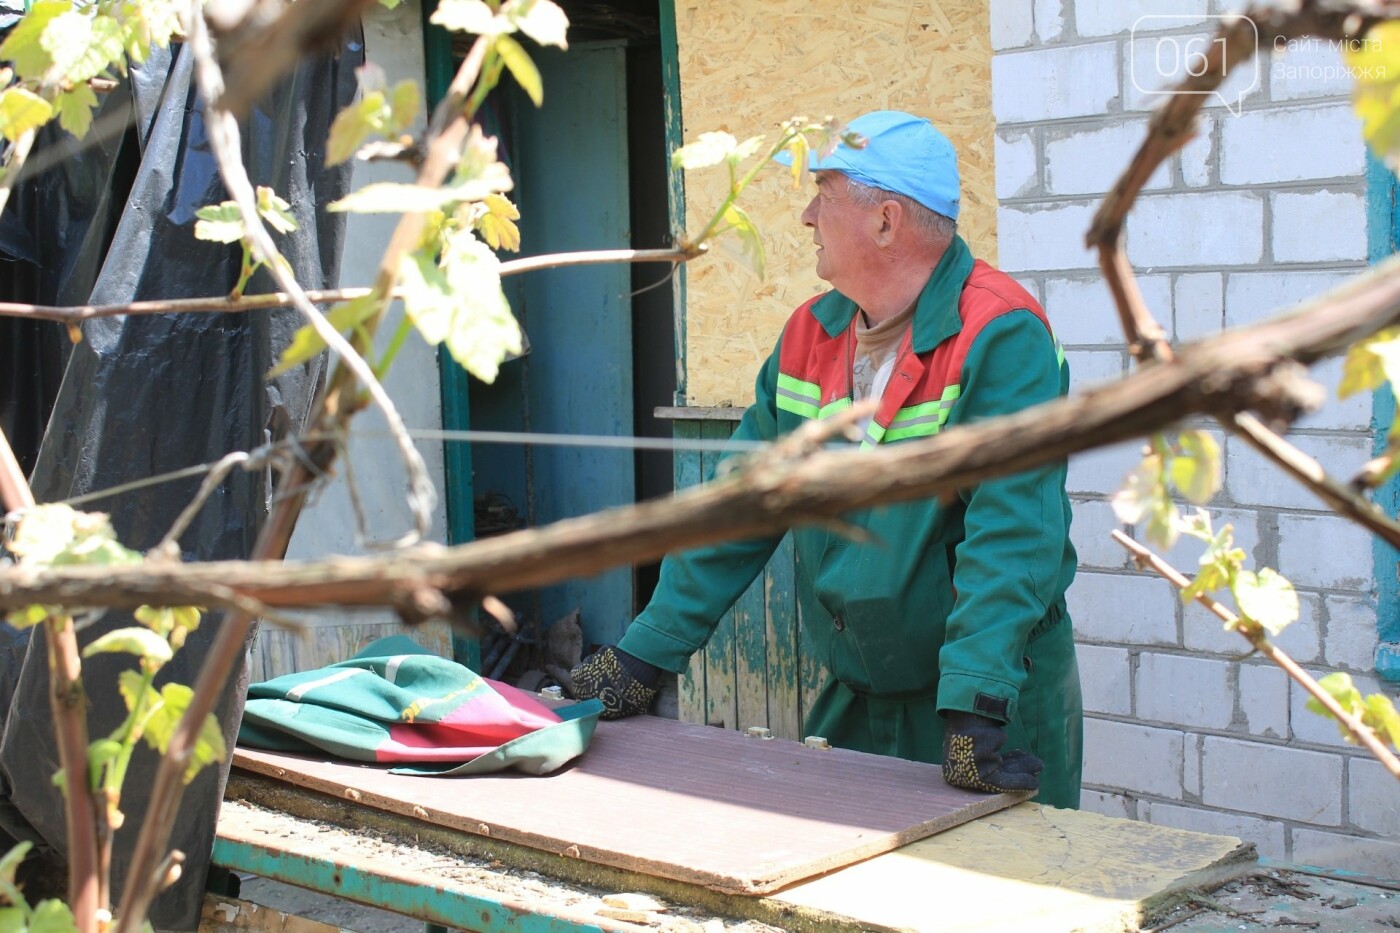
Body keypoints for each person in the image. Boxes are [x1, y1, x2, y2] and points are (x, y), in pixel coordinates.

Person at [571, 110, 1083, 809]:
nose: (808, 216)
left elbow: (1013, 532)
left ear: (886, 220)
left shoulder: (1001, 335)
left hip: (989, 702)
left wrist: (976, 703)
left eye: (825, 194)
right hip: (857, 687)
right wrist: (643, 653)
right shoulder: (810, 336)